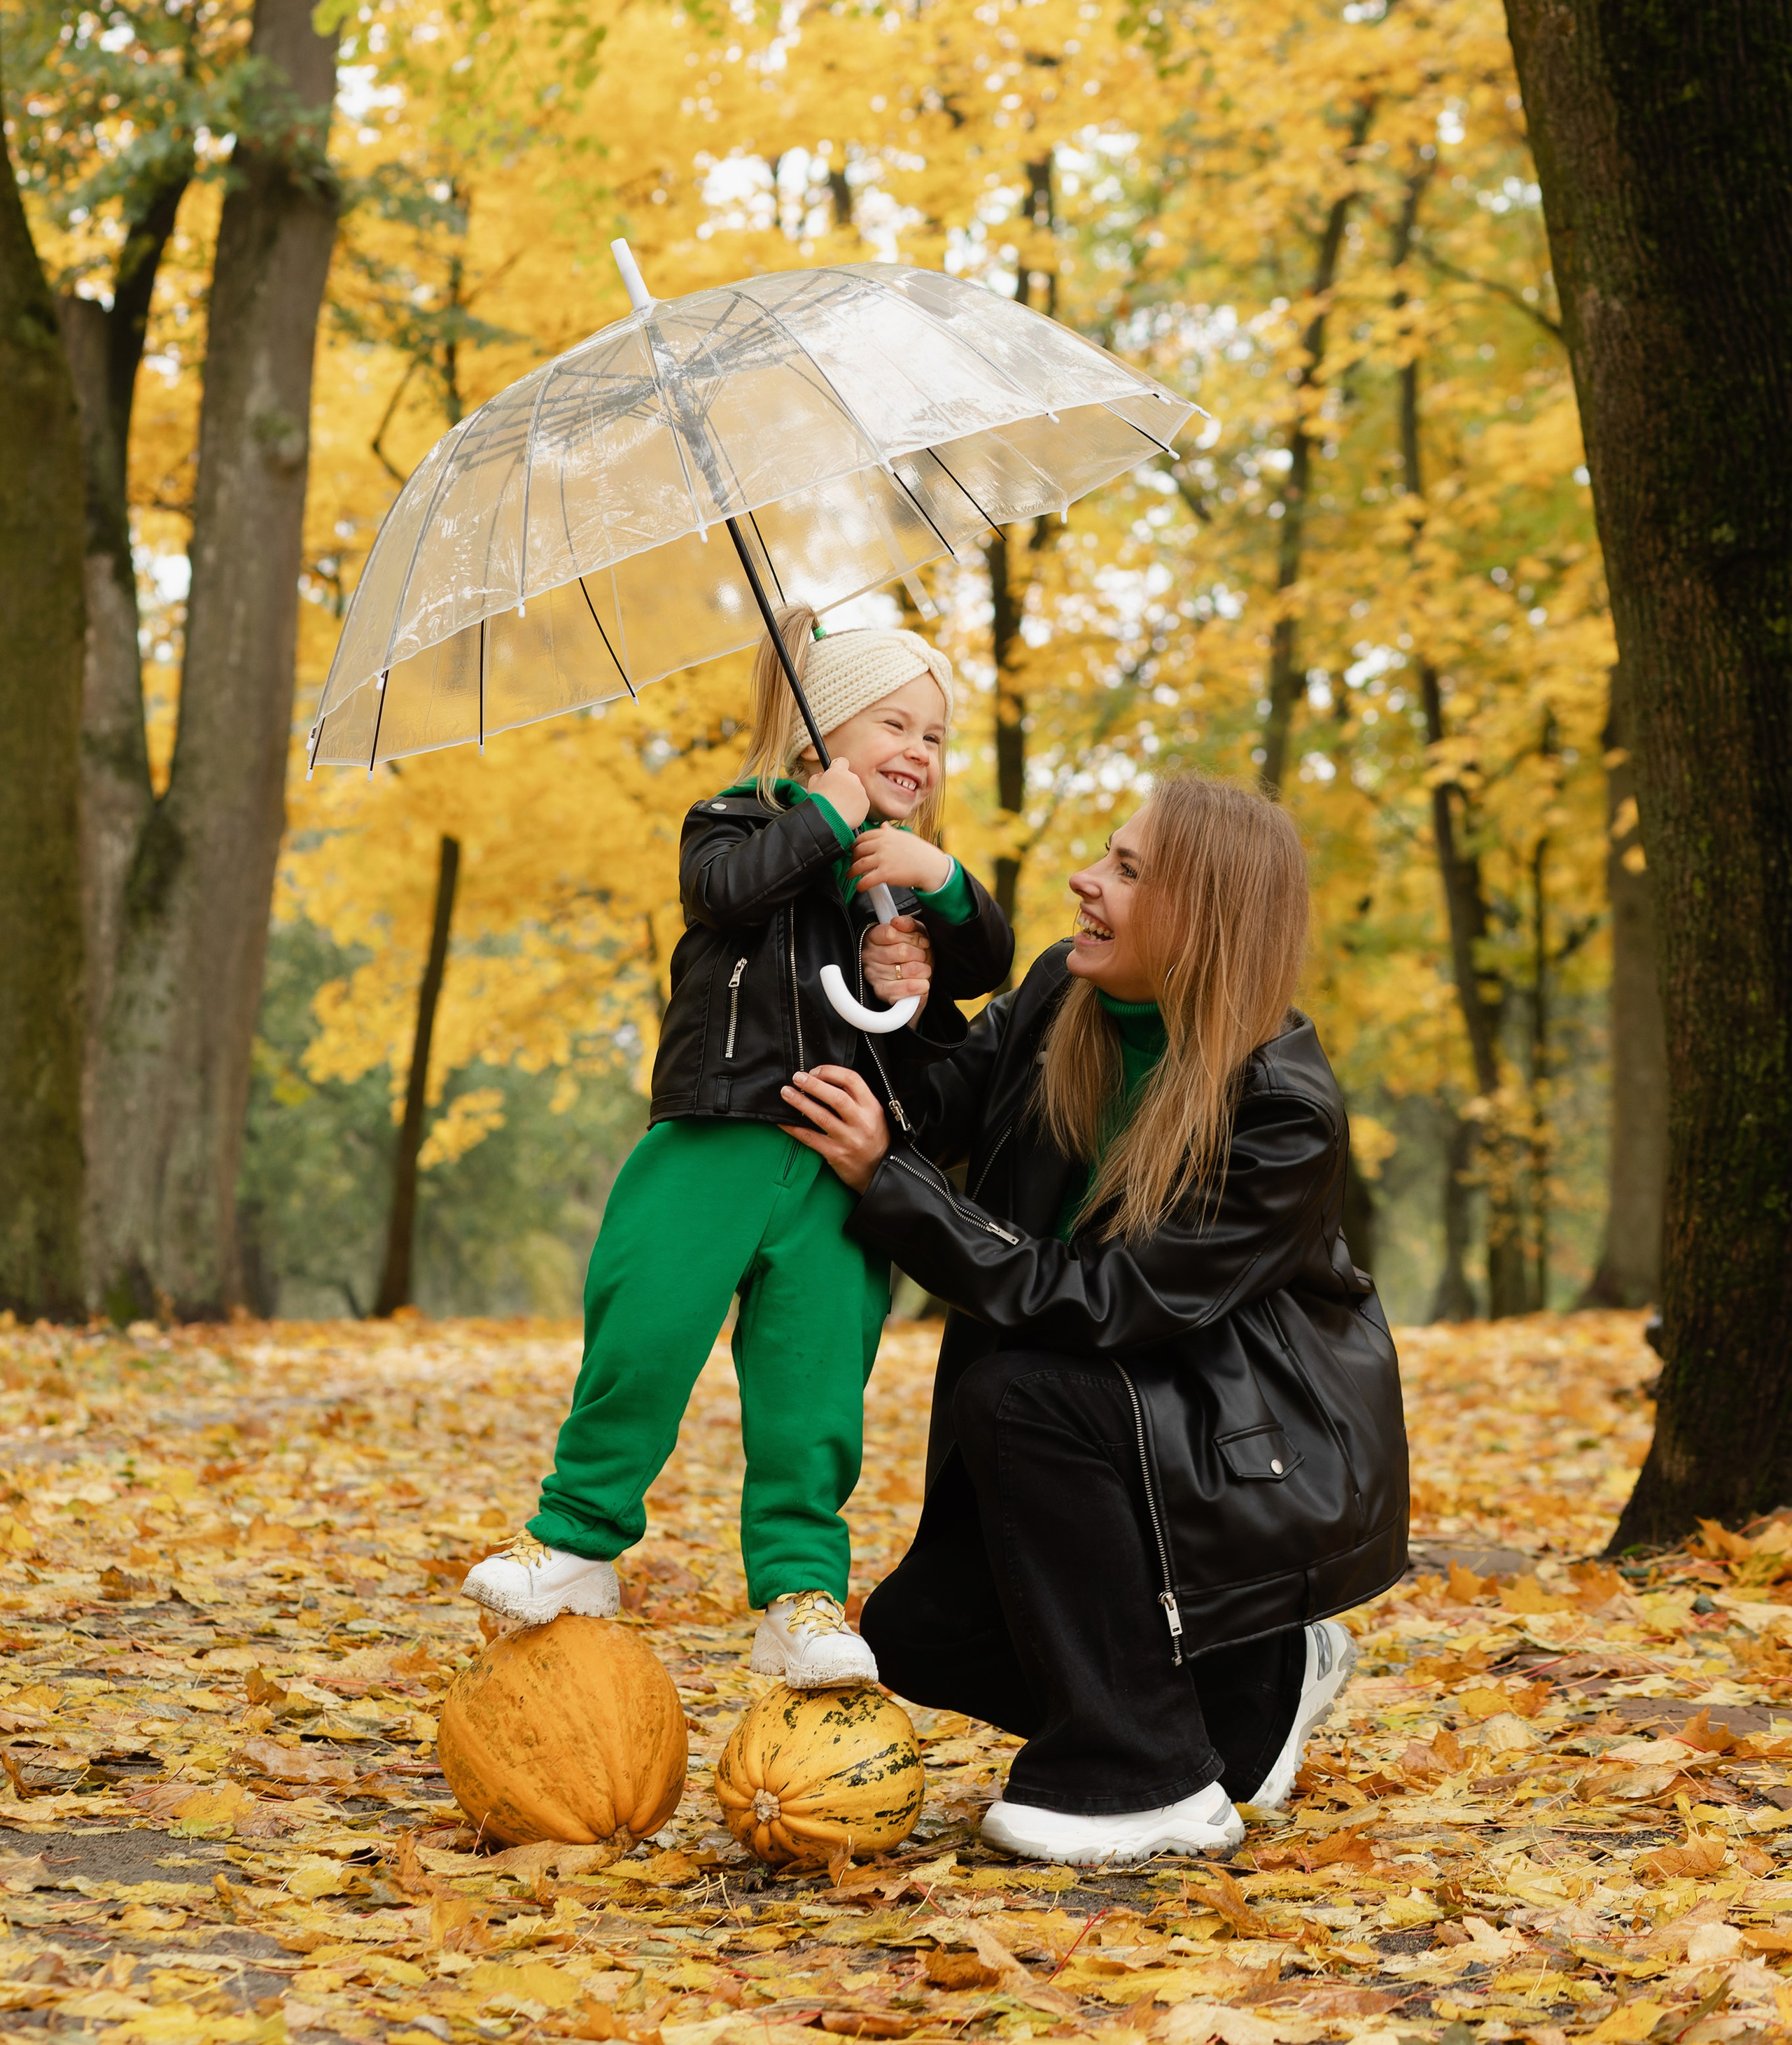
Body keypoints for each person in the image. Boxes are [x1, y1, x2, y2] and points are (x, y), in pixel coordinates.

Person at [778, 771, 1408, 1862]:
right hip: (1087, 1432)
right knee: (916, 1634)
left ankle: (1148, 1775)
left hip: (1228, 1457)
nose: (1086, 879)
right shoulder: (1058, 998)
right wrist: (904, 1004)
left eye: (1127, 869)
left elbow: (1113, 1301)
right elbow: (932, 1108)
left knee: (1021, 1390)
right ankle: (1254, 1687)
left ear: (1202, 916)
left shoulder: (1281, 1110)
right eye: (1103, 856)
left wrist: (897, 1187)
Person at [463, 607, 1012, 1686]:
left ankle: (802, 1592)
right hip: (714, 1133)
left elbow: (984, 964)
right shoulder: (736, 820)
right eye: (891, 722)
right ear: (820, 732)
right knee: (647, 1329)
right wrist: (823, 815)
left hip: (837, 1164)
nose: (917, 750)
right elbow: (725, 891)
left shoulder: (900, 883)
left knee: (815, 1384)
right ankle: (577, 1539)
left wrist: (932, 902)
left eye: (935, 736)